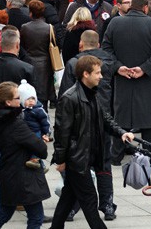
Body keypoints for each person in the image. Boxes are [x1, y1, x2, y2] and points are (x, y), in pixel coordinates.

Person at [50, 56, 134, 228]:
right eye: (97, 73)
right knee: (89, 200)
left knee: (68, 198)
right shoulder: (70, 98)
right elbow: (61, 133)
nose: (101, 76)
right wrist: (61, 160)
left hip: (85, 157)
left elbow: (104, 118)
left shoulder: (92, 94)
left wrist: (121, 133)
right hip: (77, 160)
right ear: (85, 74)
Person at [56, 30, 119, 220]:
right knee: (103, 163)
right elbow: (114, 91)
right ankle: (107, 204)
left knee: (79, 166)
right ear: (98, 44)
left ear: (81, 44)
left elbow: (65, 93)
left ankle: (74, 207)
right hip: (102, 120)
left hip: (80, 124)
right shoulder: (109, 62)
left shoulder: (75, 63)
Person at [102, 0, 151, 158]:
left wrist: (118, 67)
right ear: (145, 7)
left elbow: (106, 49)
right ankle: (149, 155)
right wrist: (144, 68)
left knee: (120, 116)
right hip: (147, 79)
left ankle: (116, 155)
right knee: (148, 119)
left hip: (123, 78)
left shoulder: (115, 22)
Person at [0, 81, 50, 228]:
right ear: (8, 102)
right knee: (36, 217)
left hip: (9, 173)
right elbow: (41, 150)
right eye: (17, 98)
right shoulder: (15, 123)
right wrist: (41, 141)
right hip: (23, 176)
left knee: (4, 213)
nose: (20, 101)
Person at [20, 0, 54, 107]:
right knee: (43, 92)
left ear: (30, 12)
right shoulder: (49, 27)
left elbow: (22, 45)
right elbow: (53, 45)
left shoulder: (25, 27)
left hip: (29, 60)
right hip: (45, 63)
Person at [17, 80, 51, 171]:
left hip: (36, 131)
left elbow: (45, 122)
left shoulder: (38, 110)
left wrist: (46, 133)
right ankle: (42, 166)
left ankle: (34, 160)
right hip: (26, 132)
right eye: (28, 99)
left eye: (33, 99)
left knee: (35, 146)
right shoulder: (21, 110)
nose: (31, 101)